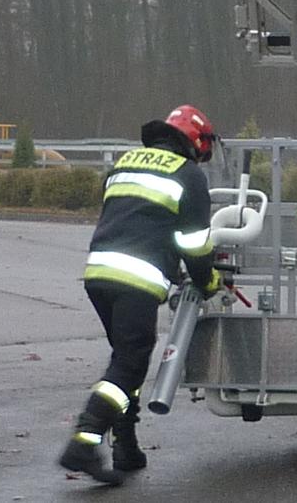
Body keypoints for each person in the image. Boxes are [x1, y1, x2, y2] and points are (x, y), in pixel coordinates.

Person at [57, 105, 223, 485]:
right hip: (137, 280)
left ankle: (126, 447)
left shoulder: (125, 162)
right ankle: (84, 442)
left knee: (124, 361)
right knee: (130, 365)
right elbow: (194, 243)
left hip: (99, 275)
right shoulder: (188, 174)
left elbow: (136, 217)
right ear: (196, 142)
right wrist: (209, 281)